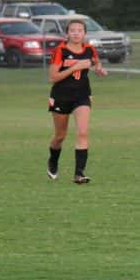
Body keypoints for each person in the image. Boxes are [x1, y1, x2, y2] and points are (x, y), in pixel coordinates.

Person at [46, 19, 107, 184]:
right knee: (60, 136)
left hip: (82, 95)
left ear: (84, 33)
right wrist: (74, 67)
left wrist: (99, 69)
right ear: (67, 33)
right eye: (73, 30)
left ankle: (79, 174)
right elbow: (53, 77)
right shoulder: (60, 51)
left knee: (83, 132)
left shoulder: (89, 49)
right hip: (61, 96)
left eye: (80, 30)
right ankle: (53, 161)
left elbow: (95, 62)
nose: (76, 33)